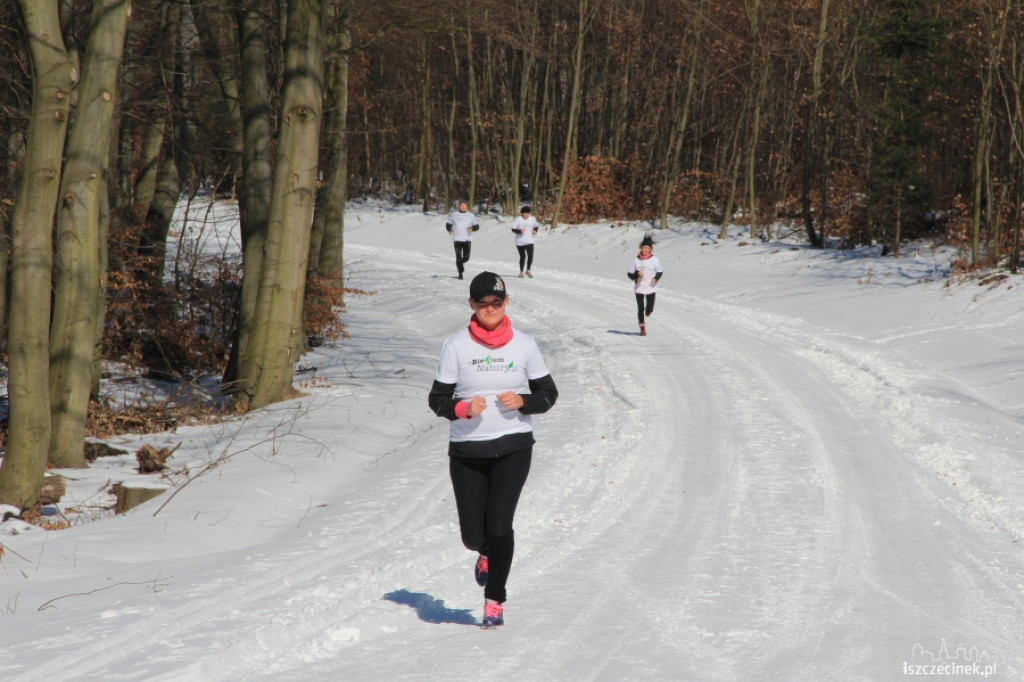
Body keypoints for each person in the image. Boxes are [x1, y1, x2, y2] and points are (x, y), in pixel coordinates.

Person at [428, 271, 558, 629]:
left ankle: (495, 600)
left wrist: (523, 400)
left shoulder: (524, 344)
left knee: (500, 525)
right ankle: (483, 552)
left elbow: (548, 395)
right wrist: (461, 409)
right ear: (471, 304)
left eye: (496, 302)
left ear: (506, 303)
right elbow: (437, 399)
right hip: (467, 451)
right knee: (474, 535)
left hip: (513, 447)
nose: (489, 308)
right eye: (482, 302)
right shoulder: (455, 345)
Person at [627, 234, 663, 336]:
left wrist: (656, 278)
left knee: (649, 308)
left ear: (651, 249)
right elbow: (629, 273)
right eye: (644, 247)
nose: (645, 250)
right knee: (640, 307)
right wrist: (636, 276)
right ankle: (642, 327)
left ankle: (649, 311)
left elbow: (660, 271)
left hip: (651, 287)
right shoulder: (635, 260)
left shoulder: (654, 259)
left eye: (647, 248)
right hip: (639, 287)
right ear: (641, 247)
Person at [445, 201, 480, 280]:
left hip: (467, 239)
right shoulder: (454, 215)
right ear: (459, 207)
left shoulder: (471, 216)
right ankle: (460, 273)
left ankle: (460, 264)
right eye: (461, 206)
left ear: (467, 207)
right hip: (457, 239)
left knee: (466, 258)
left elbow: (477, 226)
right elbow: (448, 225)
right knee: (458, 257)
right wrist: (449, 230)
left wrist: (472, 228)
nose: (463, 207)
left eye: (464, 206)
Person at [510, 205, 539, 278]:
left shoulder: (532, 219)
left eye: (527, 213)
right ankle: (521, 271)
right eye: (524, 213)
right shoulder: (518, 219)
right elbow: (513, 229)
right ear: (521, 213)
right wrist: (519, 231)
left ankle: (528, 270)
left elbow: (536, 226)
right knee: (523, 256)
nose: (526, 215)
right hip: (520, 242)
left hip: (529, 241)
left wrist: (535, 230)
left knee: (530, 255)